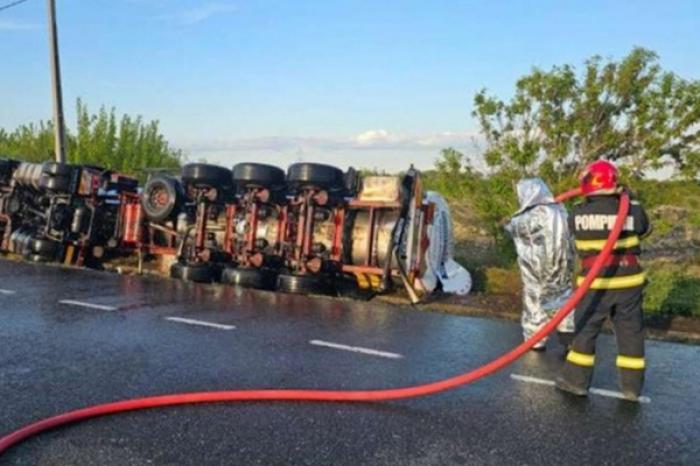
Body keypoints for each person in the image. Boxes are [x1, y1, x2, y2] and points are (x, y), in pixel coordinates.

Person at [557, 160, 651, 401]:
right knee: (631, 334)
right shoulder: (632, 209)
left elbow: (571, 235)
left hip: (594, 285)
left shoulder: (577, 213)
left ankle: (575, 381)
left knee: (586, 331)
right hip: (629, 284)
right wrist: (627, 198)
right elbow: (645, 229)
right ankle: (631, 388)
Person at [505, 178, 575, 351]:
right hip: (561, 269)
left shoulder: (522, 218)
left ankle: (536, 341)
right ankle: (569, 341)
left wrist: (507, 223)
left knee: (534, 303)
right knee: (563, 302)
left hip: (534, 272)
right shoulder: (560, 210)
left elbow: (513, 230)